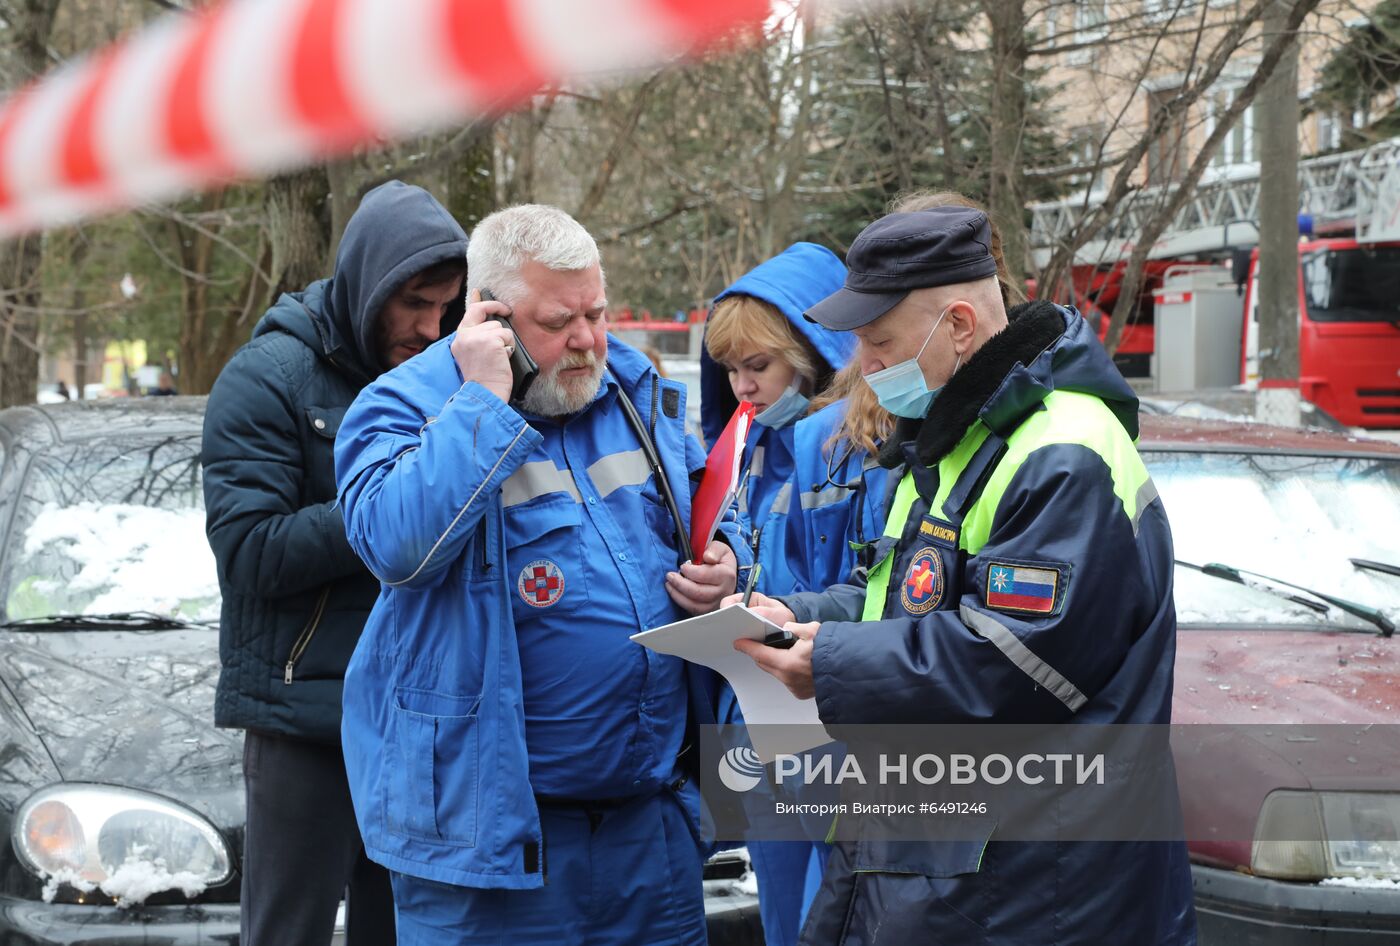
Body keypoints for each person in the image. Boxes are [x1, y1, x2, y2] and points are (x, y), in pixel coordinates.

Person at [734, 206, 1198, 944]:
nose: (863, 365)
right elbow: (914, 596)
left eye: (880, 342)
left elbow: (1015, 659)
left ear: (957, 325)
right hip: (945, 864)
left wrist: (828, 660)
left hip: (1033, 890)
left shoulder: (1063, 448)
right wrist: (798, 616)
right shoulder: (959, 438)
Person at [334, 204, 743, 946]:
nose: (586, 339)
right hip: (494, 854)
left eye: (596, 311)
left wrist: (729, 561)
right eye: (559, 323)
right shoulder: (404, 406)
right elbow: (398, 548)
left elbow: (711, 500)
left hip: (649, 834)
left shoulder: (629, 390)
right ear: (488, 317)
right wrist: (481, 404)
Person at [202, 180, 468, 946]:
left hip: (416, 715)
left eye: (445, 306)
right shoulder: (268, 377)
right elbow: (249, 552)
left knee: (407, 934)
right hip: (304, 721)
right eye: (413, 303)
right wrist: (386, 506)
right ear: (368, 285)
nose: (429, 327)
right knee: (288, 933)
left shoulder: (449, 375)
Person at [697, 241, 851, 946]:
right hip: (764, 724)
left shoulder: (856, 449)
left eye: (756, 366)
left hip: (833, 719)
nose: (740, 386)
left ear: (812, 350)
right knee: (786, 917)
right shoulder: (754, 451)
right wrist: (725, 566)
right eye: (728, 369)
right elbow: (744, 540)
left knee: (834, 911)